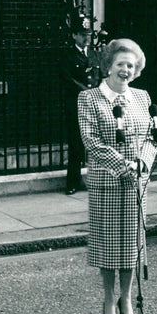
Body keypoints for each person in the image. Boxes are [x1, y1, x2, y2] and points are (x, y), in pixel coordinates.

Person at [77, 38, 157, 314]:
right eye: (120, 64)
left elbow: (152, 137)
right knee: (109, 246)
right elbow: (92, 142)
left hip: (137, 183)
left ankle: (127, 298)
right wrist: (124, 166)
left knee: (130, 246)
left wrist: (143, 163)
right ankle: (109, 299)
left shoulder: (143, 97)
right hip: (108, 183)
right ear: (108, 66)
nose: (126, 69)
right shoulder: (89, 99)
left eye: (131, 65)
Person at [60, 14, 103, 195]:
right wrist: (86, 91)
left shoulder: (93, 54)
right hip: (77, 104)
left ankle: (92, 179)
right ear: (74, 36)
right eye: (82, 34)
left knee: (95, 143)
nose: (87, 38)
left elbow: (100, 76)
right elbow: (67, 79)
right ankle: (73, 182)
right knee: (76, 144)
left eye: (89, 34)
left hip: (94, 105)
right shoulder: (67, 55)